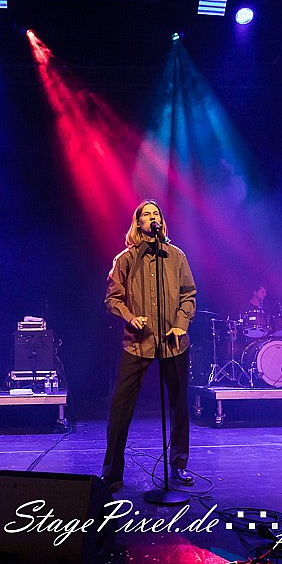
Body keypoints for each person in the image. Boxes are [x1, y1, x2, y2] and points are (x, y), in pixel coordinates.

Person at [101, 200, 197, 492]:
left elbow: (189, 294)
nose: (153, 217)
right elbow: (112, 298)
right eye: (147, 214)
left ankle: (178, 464)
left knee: (179, 404)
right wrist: (130, 317)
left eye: (156, 214)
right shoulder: (125, 259)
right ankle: (112, 472)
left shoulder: (176, 256)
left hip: (173, 341)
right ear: (138, 222)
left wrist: (181, 323)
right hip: (138, 342)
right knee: (121, 406)